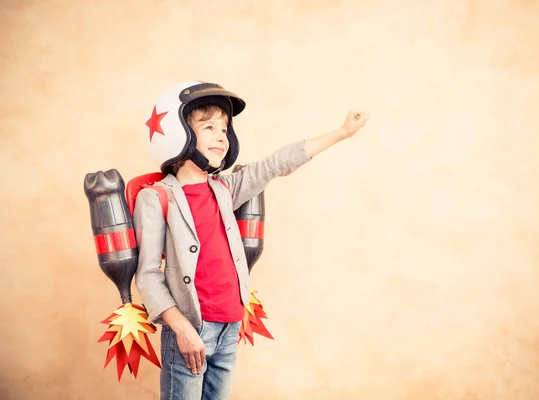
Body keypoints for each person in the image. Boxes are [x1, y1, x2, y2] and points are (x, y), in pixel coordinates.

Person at [133, 80, 368, 399]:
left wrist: (340, 133)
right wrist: (182, 329)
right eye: (209, 126)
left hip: (230, 325)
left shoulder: (226, 189)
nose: (221, 136)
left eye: (225, 128)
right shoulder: (156, 197)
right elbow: (147, 275)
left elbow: (274, 165)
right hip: (191, 329)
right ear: (178, 135)